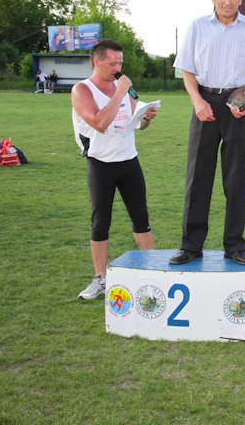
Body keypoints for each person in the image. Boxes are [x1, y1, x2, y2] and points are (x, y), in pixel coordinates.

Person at [169, 0, 245, 266]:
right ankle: (191, 245)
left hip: (237, 106)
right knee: (198, 177)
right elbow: (187, 70)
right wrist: (197, 100)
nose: (227, 1)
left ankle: (234, 246)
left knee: (236, 178)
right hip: (204, 103)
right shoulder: (197, 27)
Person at [71, 39, 158, 300]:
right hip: (101, 164)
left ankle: (153, 273)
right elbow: (99, 122)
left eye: (120, 63)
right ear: (96, 61)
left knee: (141, 219)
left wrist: (146, 117)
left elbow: (136, 124)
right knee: (101, 222)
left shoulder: (122, 88)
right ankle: (100, 278)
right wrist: (119, 93)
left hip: (129, 160)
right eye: (112, 63)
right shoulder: (82, 90)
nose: (118, 68)